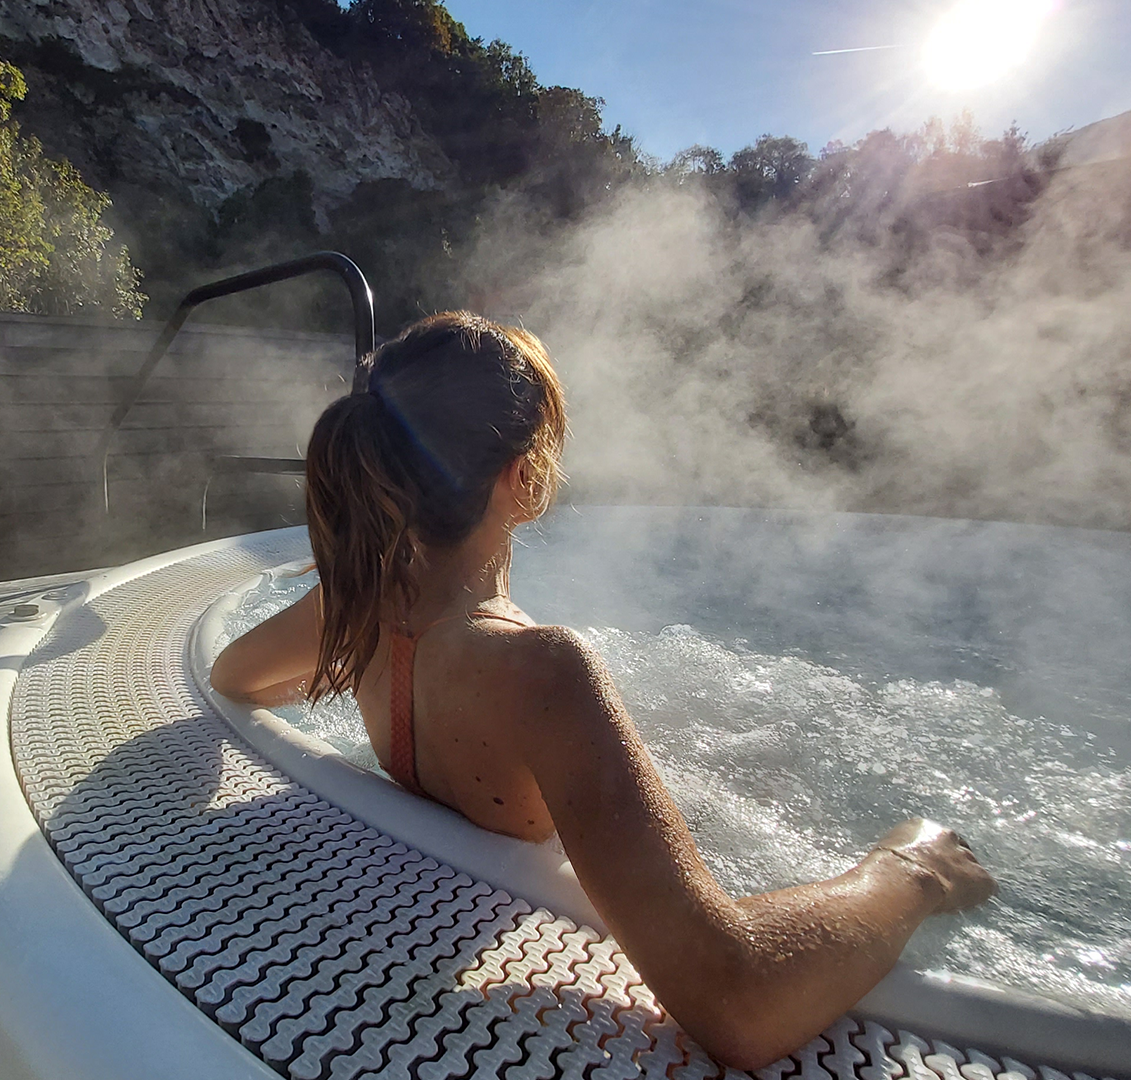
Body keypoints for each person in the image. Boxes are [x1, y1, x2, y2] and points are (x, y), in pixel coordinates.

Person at [210, 311, 995, 1071]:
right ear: (521, 476)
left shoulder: (356, 604)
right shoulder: (541, 672)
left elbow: (235, 676)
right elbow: (739, 1000)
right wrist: (910, 870)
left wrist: (352, 667)